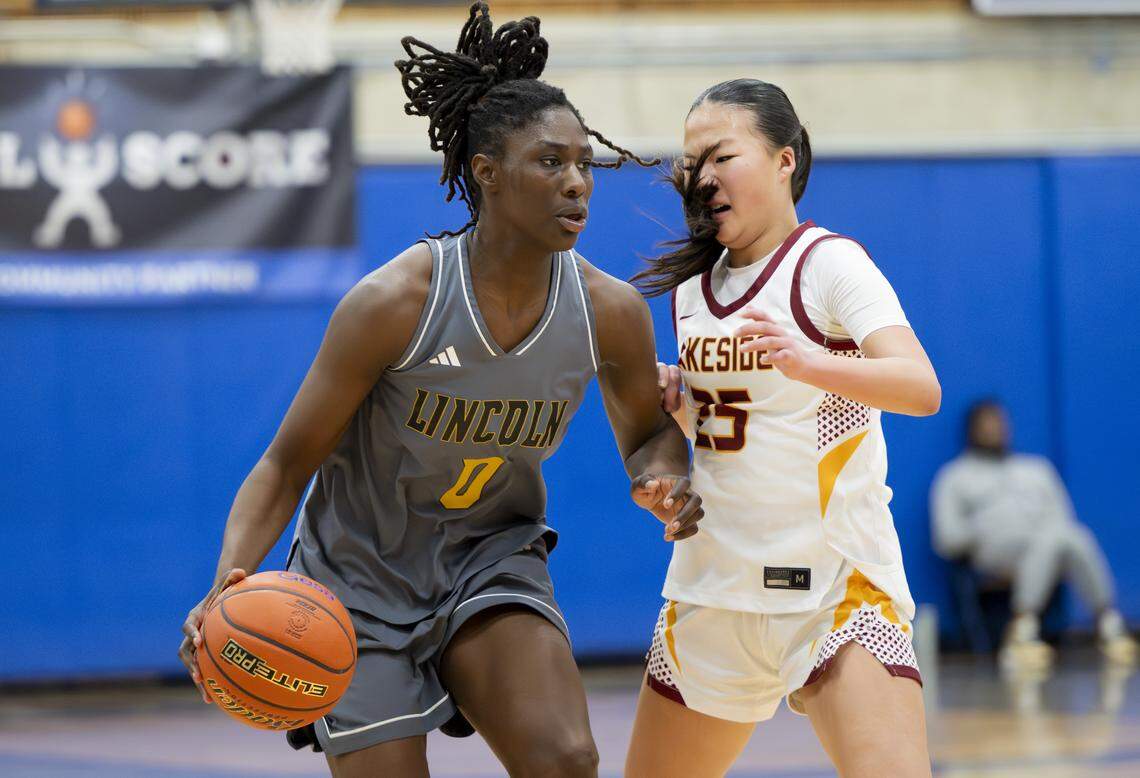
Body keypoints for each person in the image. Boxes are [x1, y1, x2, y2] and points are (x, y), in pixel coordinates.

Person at [177, 5, 704, 776]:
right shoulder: (395, 302)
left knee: (565, 758)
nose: (577, 183)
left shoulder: (610, 311)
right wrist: (229, 579)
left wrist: (665, 474)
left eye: (584, 164)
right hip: (355, 581)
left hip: (489, 558)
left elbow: (646, 436)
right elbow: (287, 464)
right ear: (486, 173)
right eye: (550, 162)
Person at [625, 78, 941, 778]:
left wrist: (813, 362)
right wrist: (675, 418)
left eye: (720, 156)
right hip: (714, 589)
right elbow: (736, 431)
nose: (700, 176)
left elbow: (921, 388)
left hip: (831, 592)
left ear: (784, 159)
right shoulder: (689, 293)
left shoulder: (829, 263)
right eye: (690, 161)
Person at [931, 398, 1137, 670]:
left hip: (1046, 544)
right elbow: (946, 539)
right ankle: (1102, 629)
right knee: (1054, 538)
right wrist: (983, 525)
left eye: (999, 423)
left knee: (1073, 536)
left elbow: (1063, 517)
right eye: (986, 425)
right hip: (994, 550)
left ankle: (1083, 625)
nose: (995, 430)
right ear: (972, 430)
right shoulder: (955, 476)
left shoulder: (1037, 469)